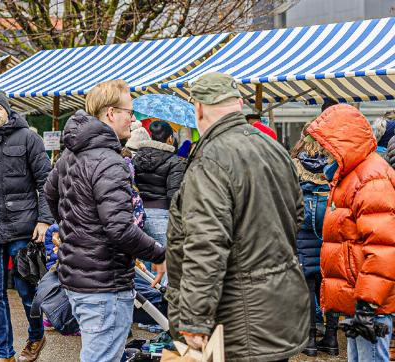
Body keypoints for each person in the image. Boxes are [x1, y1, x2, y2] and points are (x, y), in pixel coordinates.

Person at [165, 72, 309, 361]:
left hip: (239, 318)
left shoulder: (213, 159)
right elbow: (297, 216)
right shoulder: (274, 149)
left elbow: (206, 244)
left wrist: (194, 319)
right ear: (239, 104)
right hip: (278, 307)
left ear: (199, 108)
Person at [44, 79, 166, 362]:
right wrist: (159, 253)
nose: (132, 119)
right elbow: (120, 228)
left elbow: (50, 195)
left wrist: (71, 230)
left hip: (79, 276)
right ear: (110, 113)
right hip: (104, 282)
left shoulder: (69, 154)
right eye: (129, 111)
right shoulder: (109, 161)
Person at [0, 90, 54, 362]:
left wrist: (44, 220)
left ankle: (36, 334)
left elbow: (47, 182)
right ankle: (4, 353)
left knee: (26, 289)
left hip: (22, 226)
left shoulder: (29, 138)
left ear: (7, 110)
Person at [306, 104, 395, 362]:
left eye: (327, 144)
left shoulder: (371, 179)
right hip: (357, 298)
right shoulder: (349, 176)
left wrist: (368, 302)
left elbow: (384, 249)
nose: (323, 151)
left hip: (369, 302)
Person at [290, 124, 335, 357]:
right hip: (330, 230)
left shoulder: (294, 162)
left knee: (307, 283)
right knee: (331, 283)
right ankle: (332, 338)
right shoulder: (333, 163)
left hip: (304, 232)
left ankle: (309, 341)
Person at [132, 120, 185, 253]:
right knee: (164, 266)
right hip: (162, 216)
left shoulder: (137, 157)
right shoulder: (175, 161)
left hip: (138, 214)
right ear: (170, 139)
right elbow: (174, 196)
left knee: (143, 268)